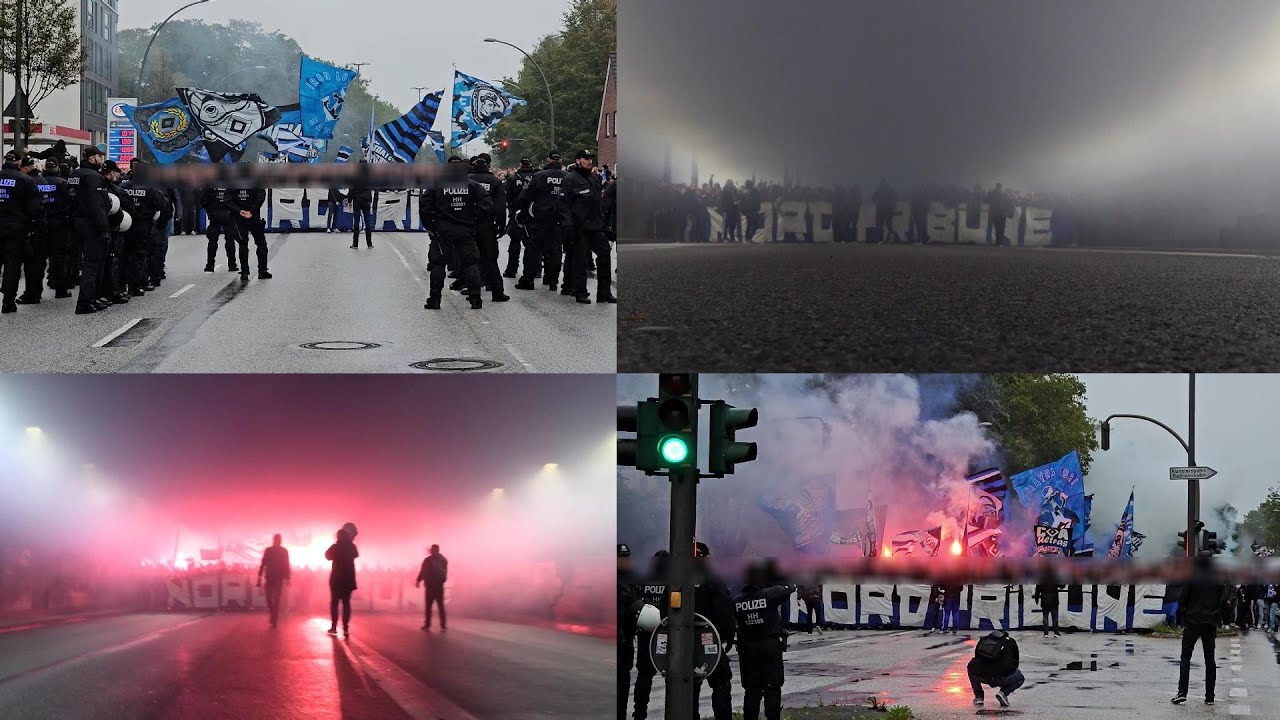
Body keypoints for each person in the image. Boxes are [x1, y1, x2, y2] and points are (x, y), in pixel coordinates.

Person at [420, 156, 490, 310]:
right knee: (470, 263)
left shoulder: (437, 186)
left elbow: (424, 207)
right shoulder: (472, 185)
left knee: (439, 264)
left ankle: (435, 299)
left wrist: (430, 227)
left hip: (442, 230)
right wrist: (474, 222)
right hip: (464, 229)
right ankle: (475, 299)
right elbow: (486, 205)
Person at [733, 565, 795, 720]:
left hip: (747, 648)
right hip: (769, 646)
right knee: (772, 688)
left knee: (751, 690)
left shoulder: (736, 601)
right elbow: (790, 587)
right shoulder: (769, 595)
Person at [562, 149, 615, 304]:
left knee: (605, 255)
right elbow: (564, 205)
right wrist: (568, 226)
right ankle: (580, 292)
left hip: (596, 226)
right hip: (579, 227)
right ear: (578, 160)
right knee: (580, 260)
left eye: (591, 158)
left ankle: (604, 293)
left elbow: (599, 202)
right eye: (586, 159)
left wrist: (604, 221)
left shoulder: (595, 178)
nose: (589, 161)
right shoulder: (570, 179)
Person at [1173, 554, 1225, 705]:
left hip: (1193, 622)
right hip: (1210, 623)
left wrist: (1185, 615)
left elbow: (1182, 600)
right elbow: (1222, 601)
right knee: (1210, 660)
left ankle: (1182, 692)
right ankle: (1210, 696)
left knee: (1185, 657)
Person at [692, 541, 735, 720]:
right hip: (709, 638)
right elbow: (724, 608)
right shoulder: (713, 578)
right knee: (721, 682)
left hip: (684, 640)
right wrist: (728, 636)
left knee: (687, 686)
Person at [517, 150, 569, 292]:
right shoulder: (568, 177)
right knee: (555, 250)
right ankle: (552, 280)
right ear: (561, 160)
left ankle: (528, 280)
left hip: (540, 218)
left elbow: (524, 197)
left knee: (533, 249)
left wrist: (523, 211)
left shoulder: (539, 176)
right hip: (559, 219)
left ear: (548, 160)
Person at [0, 151, 43, 314]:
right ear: (19, 163)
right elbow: (34, 209)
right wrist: (33, 229)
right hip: (15, 229)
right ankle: (8, 302)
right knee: (12, 265)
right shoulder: (25, 180)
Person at [69, 147, 111, 314]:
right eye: (99, 157)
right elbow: (97, 206)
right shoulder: (94, 177)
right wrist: (104, 228)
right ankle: (85, 302)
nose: (100, 160)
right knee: (92, 264)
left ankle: (92, 298)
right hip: (91, 225)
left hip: (75, 223)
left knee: (82, 262)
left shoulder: (74, 175)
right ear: (93, 158)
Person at [632, 550, 669, 720]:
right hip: (668, 634)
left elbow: (635, 607)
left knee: (644, 675)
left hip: (646, 633)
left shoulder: (643, 581)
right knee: (673, 676)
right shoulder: (674, 581)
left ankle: (639, 714)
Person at [467, 154, 509, 302]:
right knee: (490, 258)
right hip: (487, 224)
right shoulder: (495, 182)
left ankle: (473, 290)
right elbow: (500, 207)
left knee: (471, 259)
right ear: (488, 167)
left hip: (468, 225)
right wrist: (501, 225)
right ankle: (496, 291)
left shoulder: (466, 181)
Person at [39, 160, 74, 300]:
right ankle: (60, 288)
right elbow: (69, 203)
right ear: (57, 168)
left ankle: (36, 290)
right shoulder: (62, 183)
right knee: (59, 256)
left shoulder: (38, 182)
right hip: (60, 223)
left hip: (41, 222)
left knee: (38, 258)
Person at [969, 630, 1023, 708]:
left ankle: (979, 697)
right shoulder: (1010, 642)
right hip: (1002, 676)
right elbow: (1016, 662)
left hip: (984, 676)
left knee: (972, 667)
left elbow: (977, 657)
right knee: (1020, 677)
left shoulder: (983, 640)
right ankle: (1003, 693)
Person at [503, 158, 537, 279]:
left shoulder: (513, 178)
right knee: (532, 245)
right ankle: (535, 270)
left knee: (515, 243)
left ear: (520, 165)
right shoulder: (537, 177)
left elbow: (506, 196)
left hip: (517, 214)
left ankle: (512, 269)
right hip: (533, 214)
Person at [324, 524, 359, 639]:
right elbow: (356, 555)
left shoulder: (335, 546)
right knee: (346, 604)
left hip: (336, 579)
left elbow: (327, 556)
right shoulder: (352, 547)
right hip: (348, 579)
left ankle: (334, 627)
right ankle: (345, 628)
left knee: (334, 603)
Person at [231, 183, 272, 279]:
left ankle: (245, 273)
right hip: (253, 217)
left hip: (240, 217)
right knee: (261, 243)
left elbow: (228, 199)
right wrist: (251, 211)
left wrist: (239, 211)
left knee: (243, 244)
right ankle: (262, 271)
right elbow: (261, 196)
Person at [202, 186, 239, 273]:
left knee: (212, 241)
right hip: (228, 215)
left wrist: (210, 212)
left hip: (215, 215)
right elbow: (236, 200)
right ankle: (232, 265)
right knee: (230, 240)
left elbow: (203, 200)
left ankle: (210, 265)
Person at [257, 534, 291, 628]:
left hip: (272, 576)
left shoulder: (270, 550)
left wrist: (259, 576)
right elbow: (286, 565)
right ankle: (273, 615)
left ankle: (273, 617)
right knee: (274, 599)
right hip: (276, 577)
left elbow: (263, 563)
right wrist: (288, 578)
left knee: (271, 598)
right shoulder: (282, 551)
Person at [415, 544, 448, 631]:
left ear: (432, 550)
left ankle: (427, 624)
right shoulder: (444, 560)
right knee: (440, 605)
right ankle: (443, 625)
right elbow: (444, 574)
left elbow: (423, 571)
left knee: (428, 606)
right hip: (439, 586)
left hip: (430, 586)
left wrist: (418, 580)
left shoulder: (428, 560)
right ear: (438, 550)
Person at [349, 161, 374, 249]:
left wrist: (349, 201)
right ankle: (369, 244)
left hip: (357, 200)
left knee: (356, 222)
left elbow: (351, 189)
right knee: (367, 222)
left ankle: (355, 244)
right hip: (366, 200)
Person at [872, 178, 899, 243]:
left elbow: (873, 198)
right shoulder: (890, 189)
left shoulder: (879, 189)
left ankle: (880, 240)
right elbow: (897, 197)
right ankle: (891, 239)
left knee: (880, 226)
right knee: (889, 226)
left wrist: (878, 202)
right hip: (888, 210)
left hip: (880, 210)